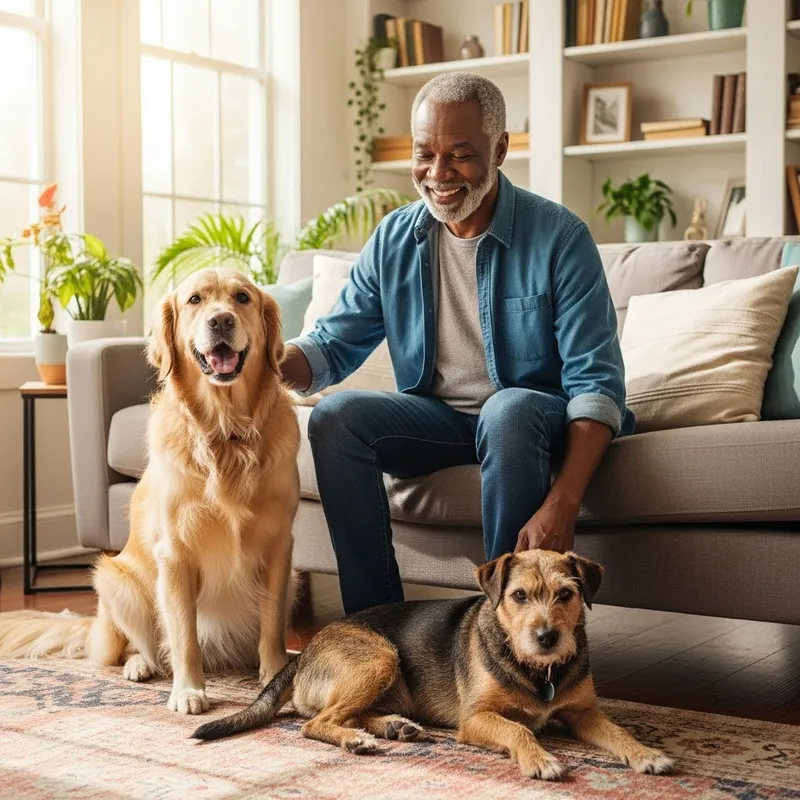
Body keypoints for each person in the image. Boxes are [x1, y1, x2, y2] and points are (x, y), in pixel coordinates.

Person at [281, 72, 634, 615]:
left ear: (500, 149)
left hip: (531, 425)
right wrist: (257, 357)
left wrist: (564, 500)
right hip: (439, 423)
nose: (438, 175)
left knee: (508, 409)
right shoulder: (396, 237)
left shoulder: (560, 237)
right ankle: (375, 626)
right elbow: (333, 344)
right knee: (335, 417)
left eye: (460, 155)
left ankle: (500, 633)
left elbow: (597, 384)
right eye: (424, 154)